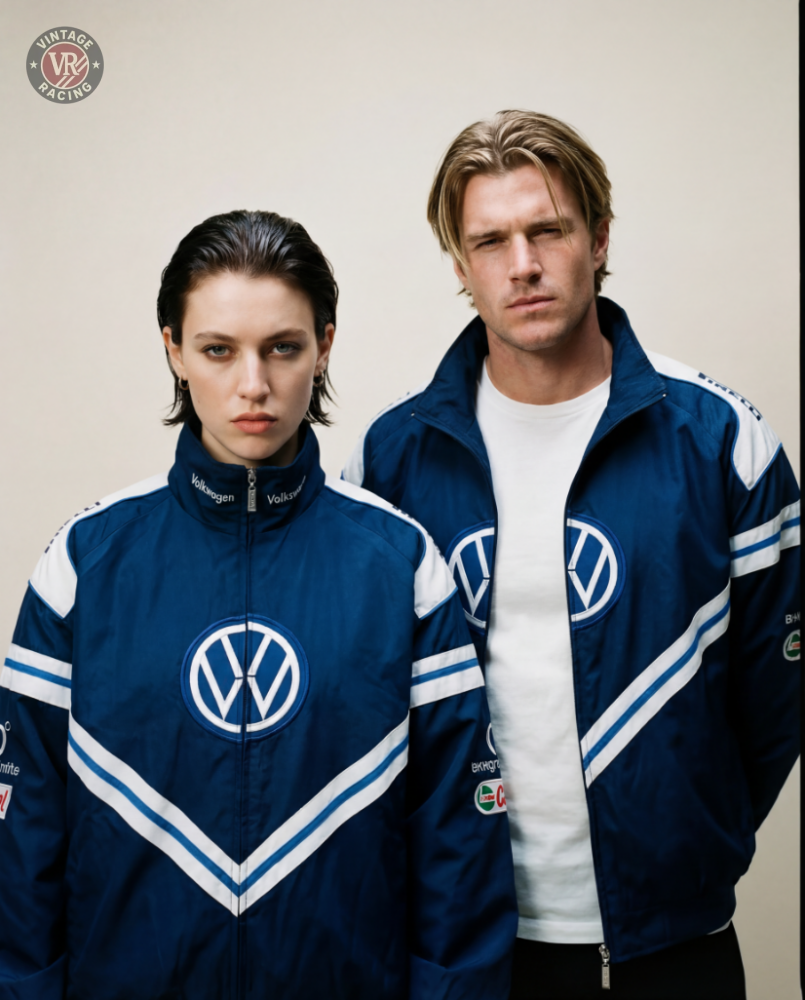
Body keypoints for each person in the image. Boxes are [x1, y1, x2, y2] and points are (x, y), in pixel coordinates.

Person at [0, 210, 518, 999]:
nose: (254, 385)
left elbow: (457, 836)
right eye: (218, 350)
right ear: (172, 348)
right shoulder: (85, 562)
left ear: (325, 345)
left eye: (283, 348)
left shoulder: (402, 563)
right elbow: (22, 832)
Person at [342, 112, 800, 999]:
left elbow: (772, 699)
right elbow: (365, 700)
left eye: (546, 229)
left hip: (674, 938)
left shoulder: (718, 441)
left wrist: (691, 838)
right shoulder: (390, 460)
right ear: (459, 263)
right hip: (464, 934)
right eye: (489, 240)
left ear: (597, 237)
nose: (522, 264)